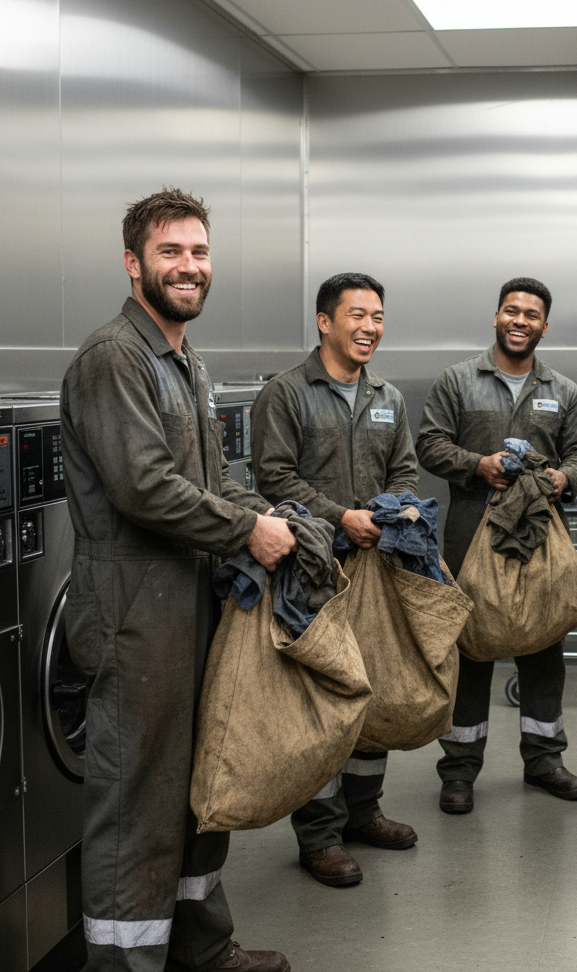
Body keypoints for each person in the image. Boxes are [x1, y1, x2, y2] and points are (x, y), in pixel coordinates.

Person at [61, 189, 297, 972]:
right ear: (134, 264)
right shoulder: (113, 358)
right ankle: (124, 964)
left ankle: (203, 947)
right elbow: (144, 486)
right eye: (170, 252)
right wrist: (244, 530)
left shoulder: (185, 362)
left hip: (190, 608)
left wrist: (268, 517)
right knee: (137, 804)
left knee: (203, 786)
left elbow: (211, 478)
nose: (187, 267)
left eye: (197, 252)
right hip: (134, 619)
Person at [250, 272, 419, 888]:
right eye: (357, 315)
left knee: (367, 685)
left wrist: (390, 511)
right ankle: (318, 835)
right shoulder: (288, 394)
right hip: (313, 569)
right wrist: (339, 518)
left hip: (374, 567)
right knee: (322, 697)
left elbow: (404, 471)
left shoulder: (389, 398)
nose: (370, 326)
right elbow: (274, 479)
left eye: (378, 316)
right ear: (325, 322)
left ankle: (363, 812)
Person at [416, 277, 577, 815]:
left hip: (539, 541)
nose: (520, 321)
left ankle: (544, 760)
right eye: (511, 312)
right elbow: (429, 443)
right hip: (471, 536)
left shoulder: (562, 390)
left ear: (545, 325)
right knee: (469, 651)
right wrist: (479, 465)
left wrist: (564, 480)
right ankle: (459, 771)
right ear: (496, 317)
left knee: (543, 647)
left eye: (532, 315)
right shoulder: (458, 381)